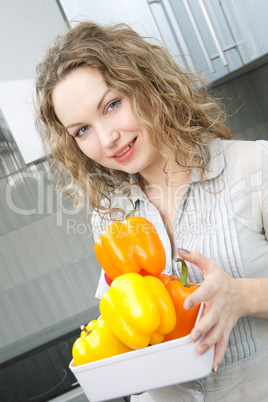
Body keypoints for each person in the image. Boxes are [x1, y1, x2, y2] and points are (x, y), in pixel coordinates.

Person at [35, 21, 268, 401]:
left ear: (146, 85)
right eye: (82, 131)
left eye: (112, 105)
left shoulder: (253, 167)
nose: (107, 139)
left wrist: (242, 296)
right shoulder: (110, 217)